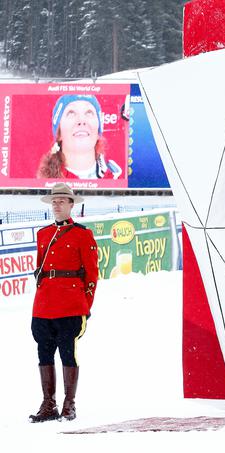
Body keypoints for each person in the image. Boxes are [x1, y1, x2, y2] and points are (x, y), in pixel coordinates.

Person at [29, 183, 99, 422]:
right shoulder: (43, 234)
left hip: (71, 305)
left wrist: (84, 305)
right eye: (54, 201)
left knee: (68, 354)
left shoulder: (82, 235)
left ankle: (69, 404)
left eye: (62, 201)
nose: (57, 205)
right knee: (44, 353)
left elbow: (91, 274)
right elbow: (41, 271)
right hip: (43, 306)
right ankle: (48, 404)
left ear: (72, 205)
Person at [37, 94, 122, 179]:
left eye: (89, 112)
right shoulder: (43, 184)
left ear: (98, 131)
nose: (81, 120)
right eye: (71, 113)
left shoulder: (117, 179)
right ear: (59, 133)